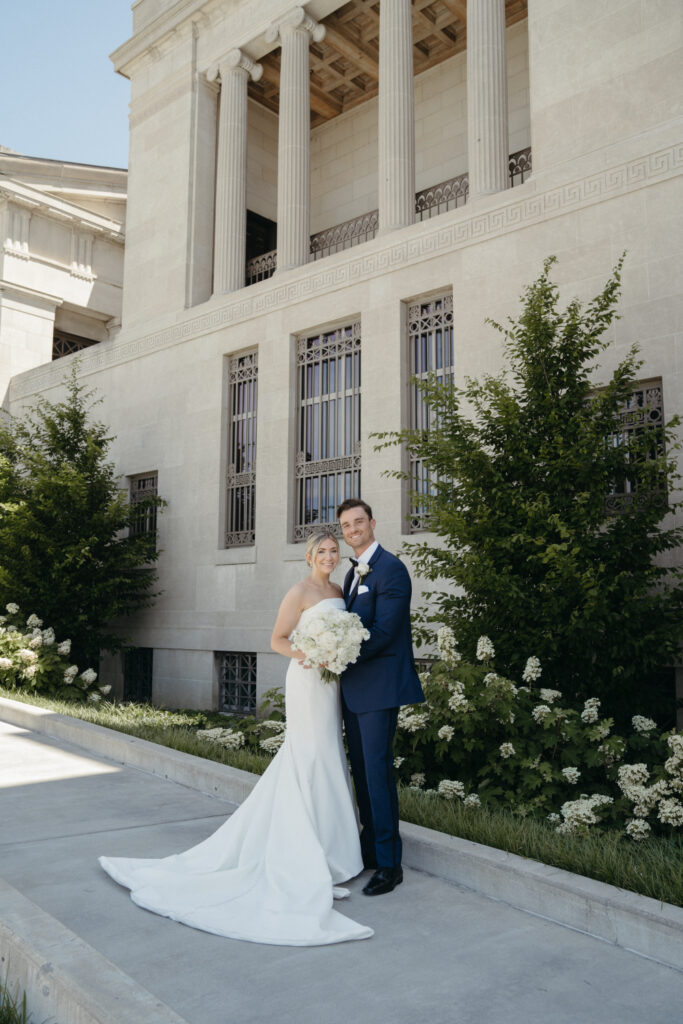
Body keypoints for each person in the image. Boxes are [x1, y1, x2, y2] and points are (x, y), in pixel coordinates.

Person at [99, 528, 373, 946]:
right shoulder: (298, 592)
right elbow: (277, 639)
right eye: (322, 550)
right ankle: (304, 854)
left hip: (331, 682)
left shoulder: (339, 588)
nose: (329, 555)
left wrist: (337, 653)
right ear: (308, 555)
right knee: (309, 755)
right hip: (307, 680)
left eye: (334, 550)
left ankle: (331, 852)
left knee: (329, 755)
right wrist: (311, 654)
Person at [337, 499, 425, 896]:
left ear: (372, 523)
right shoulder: (351, 573)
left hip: (379, 688)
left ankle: (390, 865)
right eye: (346, 524)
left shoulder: (391, 569)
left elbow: (385, 632)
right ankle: (370, 849)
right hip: (354, 690)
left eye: (359, 522)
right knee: (361, 772)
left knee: (377, 773)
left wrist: (338, 652)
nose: (353, 529)